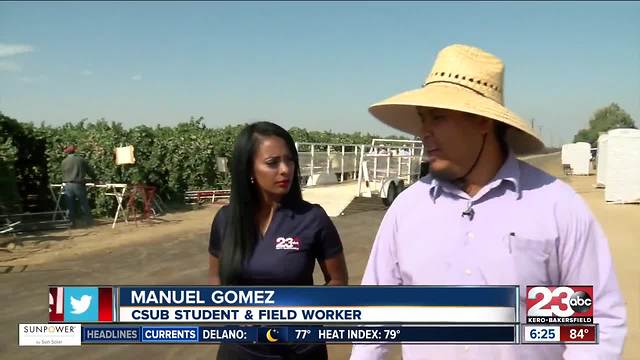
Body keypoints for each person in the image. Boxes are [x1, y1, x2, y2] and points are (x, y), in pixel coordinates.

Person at [350, 44, 627, 359]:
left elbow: (592, 324)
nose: (423, 132)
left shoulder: (555, 206)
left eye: (437, 118)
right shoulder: (407, 210)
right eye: (422, 119)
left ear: (482, 122)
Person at [208, 121, 349, 359]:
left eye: (290, 160)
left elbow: (338, 280)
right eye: (272, 163)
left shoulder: (312, 218)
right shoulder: (226, 220)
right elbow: (215, 277)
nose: (285, 169)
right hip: (240, 351)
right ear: (249, 170)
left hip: (300, 351)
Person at [61, 145, 96, 227]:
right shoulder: (81, 160)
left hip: (68, 185)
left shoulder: (64, 161)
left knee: (70, 205)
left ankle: (71, 223)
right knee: (84, 203)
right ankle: (88, 222)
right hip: (78, 184)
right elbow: (90, 171)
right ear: (75, 151)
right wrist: (95, 178)